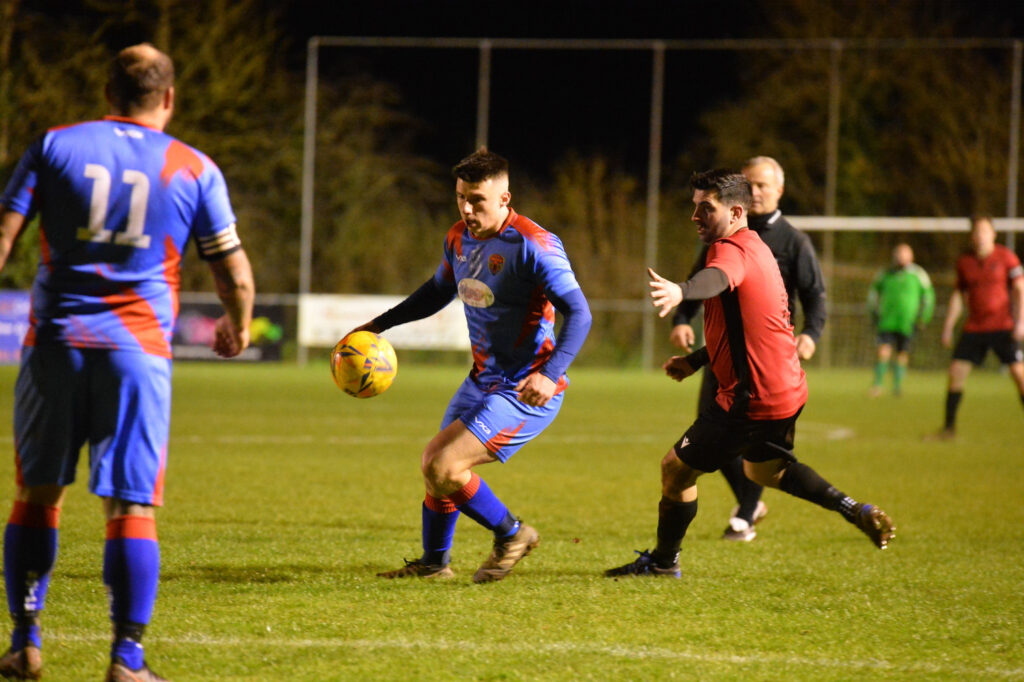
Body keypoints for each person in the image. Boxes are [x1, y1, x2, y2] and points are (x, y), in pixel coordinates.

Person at [0, 44, 254, 681]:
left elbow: (3, 235)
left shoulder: (54, 145)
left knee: (36, 495)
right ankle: (126, 659)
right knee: (130, 507)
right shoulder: (194, 167)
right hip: (137, 352)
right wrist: (238, 322)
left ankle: (26, 643)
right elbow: (232, 273)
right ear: (169, 98)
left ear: (107, 91)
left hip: (55, 344)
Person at [605, 169, 893, 579]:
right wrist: (699, 360)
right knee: (763, 471)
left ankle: (665, 563)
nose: (695, 217)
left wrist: (682, 291)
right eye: (694, 208)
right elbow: (754, 329)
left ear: (737, 211)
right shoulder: (758, 246)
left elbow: (717, 278)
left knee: (675, 468)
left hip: (750, 398)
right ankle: (852, 508)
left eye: (706, 208)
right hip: (787, 391)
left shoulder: (731, 251)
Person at [350, 148, 591, 583]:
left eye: (477, 199)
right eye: (461, 196)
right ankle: (433, 565)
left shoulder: (534, 245)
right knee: (437, 473)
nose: (466, 208)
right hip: (481, 380)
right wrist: (379, 325)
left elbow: (580, 312)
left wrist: (549, 374)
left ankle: (513, 534)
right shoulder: (458, 237)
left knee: (441, 465)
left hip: (525, 389)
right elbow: (437, 291)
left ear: (504, 199)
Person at [669, 156, 826, 542]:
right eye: (750, 185)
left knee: (745, 437)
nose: (756, 192)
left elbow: (815, 295)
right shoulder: (721, 231)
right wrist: (680, 318)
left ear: (779, 191)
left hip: (765, 361)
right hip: (722, 353)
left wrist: (812, 333)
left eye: (763, 187)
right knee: (710, 428)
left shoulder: (792, 241)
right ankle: (750, 503)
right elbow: (703, 278)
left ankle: (744, 514)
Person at [933, 216, 1024, 439]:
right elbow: (958, 295)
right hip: (975, 327)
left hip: (1002, 326)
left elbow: (1020, 289)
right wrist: (948, 325)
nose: (979, 236)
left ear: (993, 234)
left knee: (1019, 375)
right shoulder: (965, 262)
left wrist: (1021, 322)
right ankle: (948, 429)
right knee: (956, 373)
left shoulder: (1006, 257)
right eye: (976, 232)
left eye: (984, 231)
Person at [867, 243, 935, 397]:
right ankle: (878, 385)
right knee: (883, 351)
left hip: (907, 322)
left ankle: (897, 387)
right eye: (898, 254)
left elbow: (929, 297)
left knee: (902, 354)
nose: (901, 257)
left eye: (904, 254)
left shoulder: (918, 274)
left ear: (911, 256)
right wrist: (873, 313)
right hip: (887, 321)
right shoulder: (885, 273)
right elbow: (873, 295)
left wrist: (924, 317)